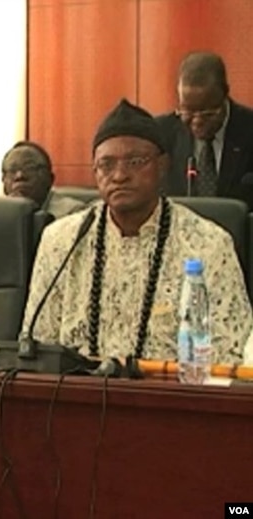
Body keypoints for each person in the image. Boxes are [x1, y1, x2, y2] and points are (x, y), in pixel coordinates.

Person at [22, 98, 252, 363]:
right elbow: (36, 347)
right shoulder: (60, 242)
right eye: (106, 164)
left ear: (162, 166)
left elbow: (230, 353)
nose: (119, 175)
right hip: (76, 398)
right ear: (95, 171)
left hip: (173, 398)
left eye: (135, 161)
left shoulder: (209, 244)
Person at [156, 51, 253, 207]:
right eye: (188, 111)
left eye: (208, 113)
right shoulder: (161, 133)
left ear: (225, 94)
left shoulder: (249, 129)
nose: (197, 121)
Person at [2, 141, 86, 218]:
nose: (19, 176)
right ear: (3, 180)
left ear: (50, 179)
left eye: (29, 168)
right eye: (12, 169)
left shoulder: (73, 212)